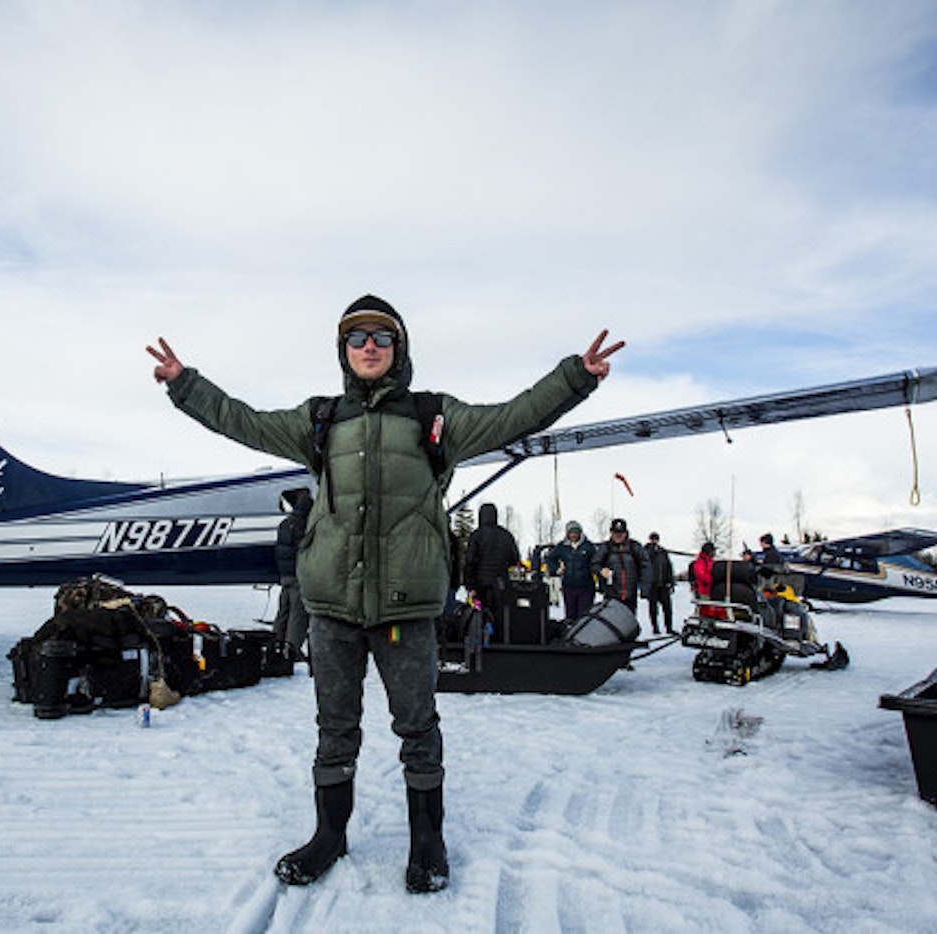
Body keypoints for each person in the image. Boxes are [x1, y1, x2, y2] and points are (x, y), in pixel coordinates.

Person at [147, 294, 623, 894]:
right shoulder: (320, 420)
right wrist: (186, 385)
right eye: (356, 338)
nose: (368, 346)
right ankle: (329, 836)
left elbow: (514, 416)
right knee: (334, 728)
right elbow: (242, 420)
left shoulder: (434, 417)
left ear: (399, 349)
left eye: (381, 336)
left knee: (417, 726)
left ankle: (427, 842)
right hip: (333, 608)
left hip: (406, 609)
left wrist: (574, 378)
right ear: (343, 352)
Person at [463, 502, 520, 632]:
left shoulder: (477, 535)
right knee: (500, 614)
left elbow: (470, 562)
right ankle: (500, 638)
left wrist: (469, 584)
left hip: (480, 583)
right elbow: (515, 559)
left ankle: (484, 639)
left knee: (479, 615)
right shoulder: (506, 535)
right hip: (501, 583)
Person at [273, 487, 314, 666]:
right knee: (298, 616)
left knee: (283, 613)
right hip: (298, 577)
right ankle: (292, 650)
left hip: (285, 576)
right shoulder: (305, 526)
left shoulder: (284, 524)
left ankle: (275, 643)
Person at [544, 520, 597, 622]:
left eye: (576, 532)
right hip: (568, 586)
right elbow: (550, 558)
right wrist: (556, 569)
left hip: (586, 587)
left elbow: (597, 561)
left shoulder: (589, 547)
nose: (573, 535)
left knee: (584, 616)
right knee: (570, 615)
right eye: (571, 532)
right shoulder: (562, 547)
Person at [594, 517, 649, 614]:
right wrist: (601, 570)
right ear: (611, 533)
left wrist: (644, 587)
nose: (618, 536)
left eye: (621, 533)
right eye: (615, 533)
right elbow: (594, 564)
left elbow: (646, 566)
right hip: (611, 594)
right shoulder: (605, 548)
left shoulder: (634, 547)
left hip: (630, 594)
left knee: (628, 622)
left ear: (625, 533)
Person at [643, 531, 676, 635]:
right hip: (652, 585)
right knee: (653, 609)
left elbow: (669, 567)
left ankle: (669, 628)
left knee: (667, 608)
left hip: (663, 584)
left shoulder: (663, 552)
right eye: (652, 539)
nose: (654, 541)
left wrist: (671, 581)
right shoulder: (646, 552)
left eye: (656, 539)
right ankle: (655, 628)